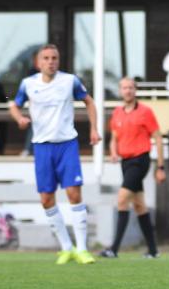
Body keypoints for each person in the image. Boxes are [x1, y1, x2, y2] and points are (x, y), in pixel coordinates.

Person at [8, 44, 101, 265]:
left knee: (74, 194)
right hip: (42, 147)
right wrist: (19, 118)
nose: (51, 62)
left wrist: (94, 128)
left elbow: (89, 102)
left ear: (58, 61)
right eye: (46, 58)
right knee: (46, 199)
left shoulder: (69, 81)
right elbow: (14, 105)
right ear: (38, 62)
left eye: (54, 58)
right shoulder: (28, 84)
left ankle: (82, 249)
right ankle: (66, 248)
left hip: (67, 145)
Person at [100, 77, 165, 259]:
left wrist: (160, 167)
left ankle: (113, 249)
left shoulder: (145, 112)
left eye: (130, 88)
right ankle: (153, 250)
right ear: (120, 91)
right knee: (139, 206)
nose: (128, 91)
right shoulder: (117, 113)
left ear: (135, 90)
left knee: (122, 199)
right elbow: (114, 138)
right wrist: (113, 152)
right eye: (124, 88)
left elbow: (158, 138)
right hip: (125, 163)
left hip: (140, 161)